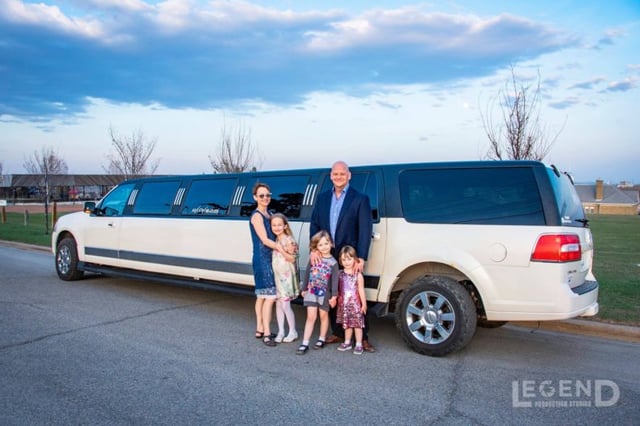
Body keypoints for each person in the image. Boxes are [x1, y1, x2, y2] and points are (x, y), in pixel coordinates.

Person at [310, 160, 376, 352]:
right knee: (333, 294)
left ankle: (362, 337)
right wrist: (314, 249)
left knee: (354, 296)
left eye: (342, 173)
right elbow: (314, 225)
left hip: (349, 257)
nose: (338, 176)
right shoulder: (322, 198)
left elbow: (365, 229)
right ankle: (338, 331)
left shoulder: (360, 198)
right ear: (331, 176)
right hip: (326, 256)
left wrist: (361, 257)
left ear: (349, 175)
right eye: (335, 173)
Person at [249, 182, 290, 347]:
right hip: (262, 259)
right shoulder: (257, 216)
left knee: (261, 297)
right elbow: (265, 239)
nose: (265, 198)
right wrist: (282, 249)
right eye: (261, 195)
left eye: (267, 195)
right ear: (255, 198)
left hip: (271, 257)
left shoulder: (270, 214)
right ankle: (267, 333)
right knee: (270, 297)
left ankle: (259, 328)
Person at [295, 230, 339, 355]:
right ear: (316, 247)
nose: (324, 247)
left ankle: (321, 338)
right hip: (311, 292)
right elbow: (308, 273)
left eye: (326, 243)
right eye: (320, 245)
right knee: (310, 317)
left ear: (331, 243)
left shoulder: (333, 263)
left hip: (325, 294)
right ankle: (305, 342)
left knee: (323, 316)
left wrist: (334, 296)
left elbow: (335, 281)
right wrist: (304, 289)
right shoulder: (314, 258)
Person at [270, 212, 300, 343]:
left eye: (279, 225)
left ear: (285, 226)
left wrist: (280, 249)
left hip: (286, 278)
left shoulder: (289, 240)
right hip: (278, 277)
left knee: (286, 305)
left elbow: (293, 258)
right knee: (278, 305)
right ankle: (281, 330)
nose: (276, 227)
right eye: (274, 225)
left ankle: (292, 331)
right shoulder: (276, 240)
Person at [335, 245, 367, 355]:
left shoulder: (358, 275)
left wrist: (364, 304)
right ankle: (347, 342)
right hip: (344, 305)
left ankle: (358, 343)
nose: (347, 262)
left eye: (349, 259)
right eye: (344, 259)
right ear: (340, 260)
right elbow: (337, 289)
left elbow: (361, 290)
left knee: (357, 325)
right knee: (347, 325)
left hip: (355, 305)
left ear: (355, 259)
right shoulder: (339, 274)